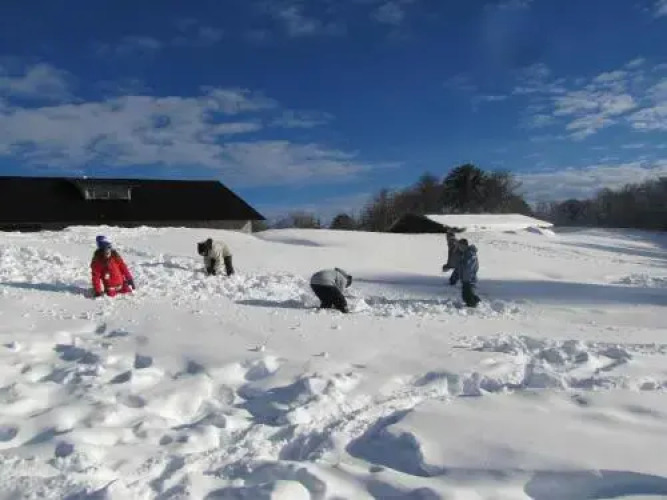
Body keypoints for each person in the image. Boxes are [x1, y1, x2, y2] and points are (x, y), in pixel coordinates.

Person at [456, 239, 480, 308]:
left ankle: (472, 306)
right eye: (458, 246)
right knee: (466, 295)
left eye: (460, 246)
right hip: (465, 278)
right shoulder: (465, 253)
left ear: (464, 245)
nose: (459, 248)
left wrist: (467, 278)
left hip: (468, 279)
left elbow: (468, 267)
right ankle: (475, 302)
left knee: (467, 296)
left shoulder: (470, 254)